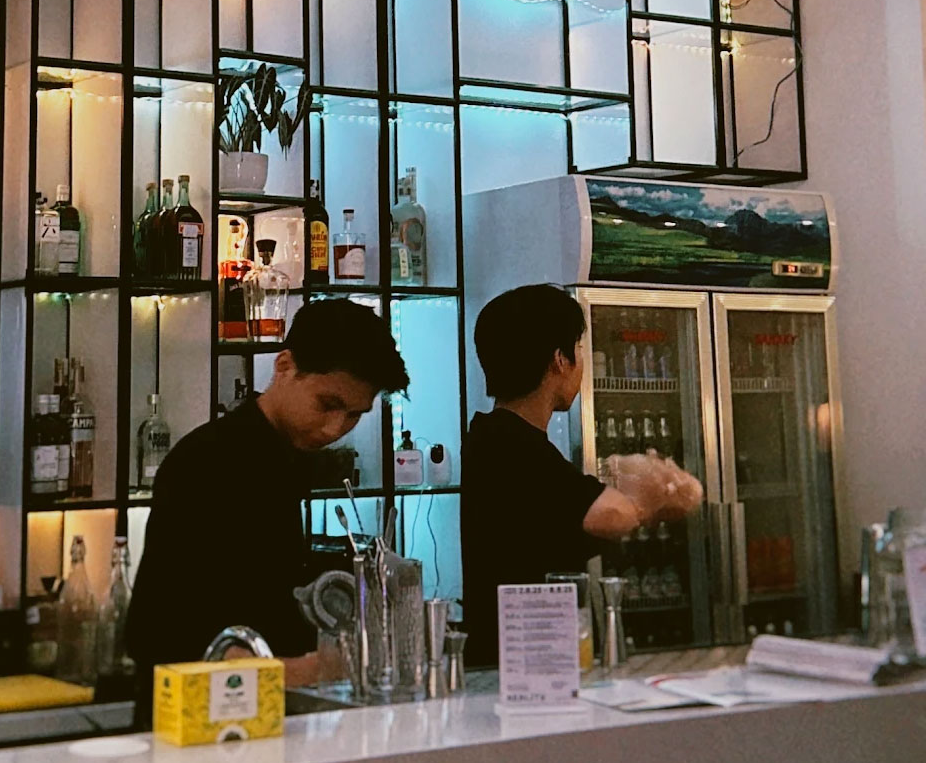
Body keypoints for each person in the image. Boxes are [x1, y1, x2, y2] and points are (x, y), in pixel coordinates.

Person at [125, 298, 409, 707]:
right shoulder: (208, 462)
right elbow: (161, 633)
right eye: (328, 404)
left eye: (354, 415)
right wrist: (317, 669)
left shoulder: (290, 460)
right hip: (197, 725)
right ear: (284, 366)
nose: (336, 428)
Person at [460, 283, 703, 665]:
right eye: (578, 349)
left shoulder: (499, 438)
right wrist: (659, 485)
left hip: (530, 656)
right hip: (516, 665)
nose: (581, 362)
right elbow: (608, 514)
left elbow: (569, 509)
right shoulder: (509, 443)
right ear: (559, 359)